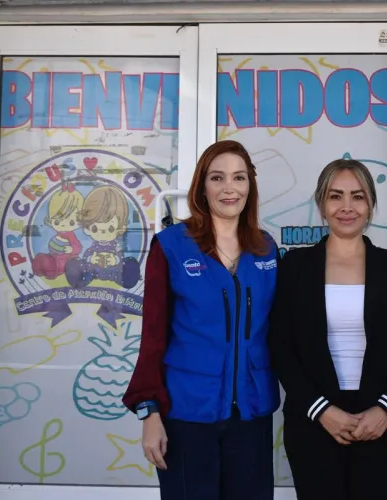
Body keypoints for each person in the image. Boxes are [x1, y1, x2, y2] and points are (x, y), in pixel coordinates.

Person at [122, 140, 280, 499]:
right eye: (217, 177)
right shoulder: (171, 246)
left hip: (251, 416)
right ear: (202, 186)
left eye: (239, 177)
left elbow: (278, 332)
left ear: (250, 185)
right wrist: (149, 411)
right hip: (187, 415)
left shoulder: (266, 248)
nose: (229, 188)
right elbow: (153, 335)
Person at [269, 158, 387, 500]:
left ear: (370, 205)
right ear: (321, 204)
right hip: (314, 419)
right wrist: (321, 410)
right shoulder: (295, 266)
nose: (346, 207)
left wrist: (386, 408)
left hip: (381, 420)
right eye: (335, 196)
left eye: (357, 196)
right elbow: (280, 346)